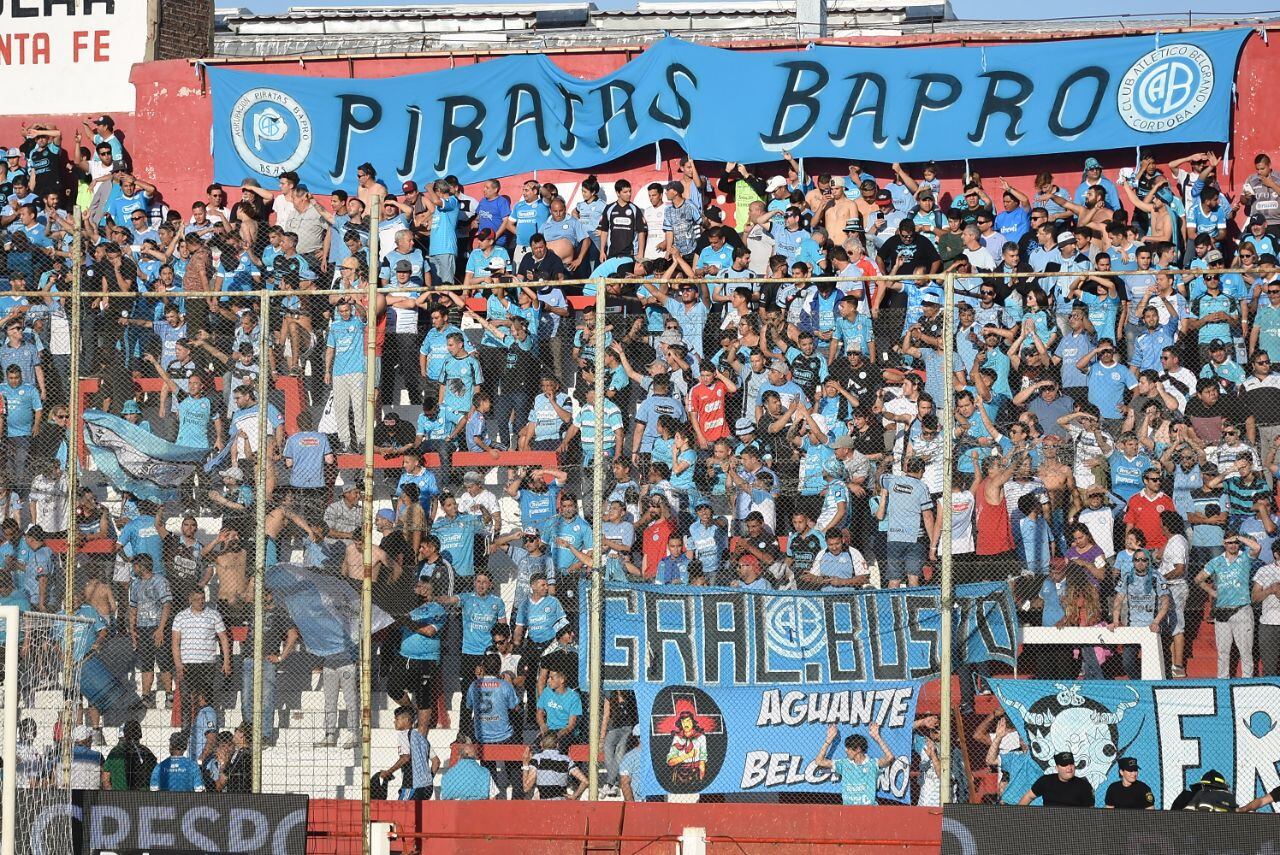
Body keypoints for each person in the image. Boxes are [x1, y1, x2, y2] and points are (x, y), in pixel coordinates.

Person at [812, 723, 896, 806]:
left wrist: (877, 737)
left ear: (858, 749)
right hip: (848, 811)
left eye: (848, 748)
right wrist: (829, 739)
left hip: (870, 810)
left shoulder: (872, 764)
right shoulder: (843, 764)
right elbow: (819, 761)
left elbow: (890, 757)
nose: (846, 750)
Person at [380, 704, 438, 801]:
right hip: (428, 787)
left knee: (401, 813)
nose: (394, 722)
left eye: (397, 719)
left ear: (406, 720)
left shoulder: (403, 734)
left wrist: (388, 772)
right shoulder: (422, 738)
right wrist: (428, 778)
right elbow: (436, 762)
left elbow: (405, 757)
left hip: (412, 785)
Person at [1018, 751, 1095, 807]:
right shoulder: (1046, 781)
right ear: (1057, 768)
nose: (1069, 768)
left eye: (1071, 764)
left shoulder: (1084, 786)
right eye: (1064, 765)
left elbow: (1090, 810)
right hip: (1048, 822)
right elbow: (1028, 796)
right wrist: (1018, 816)